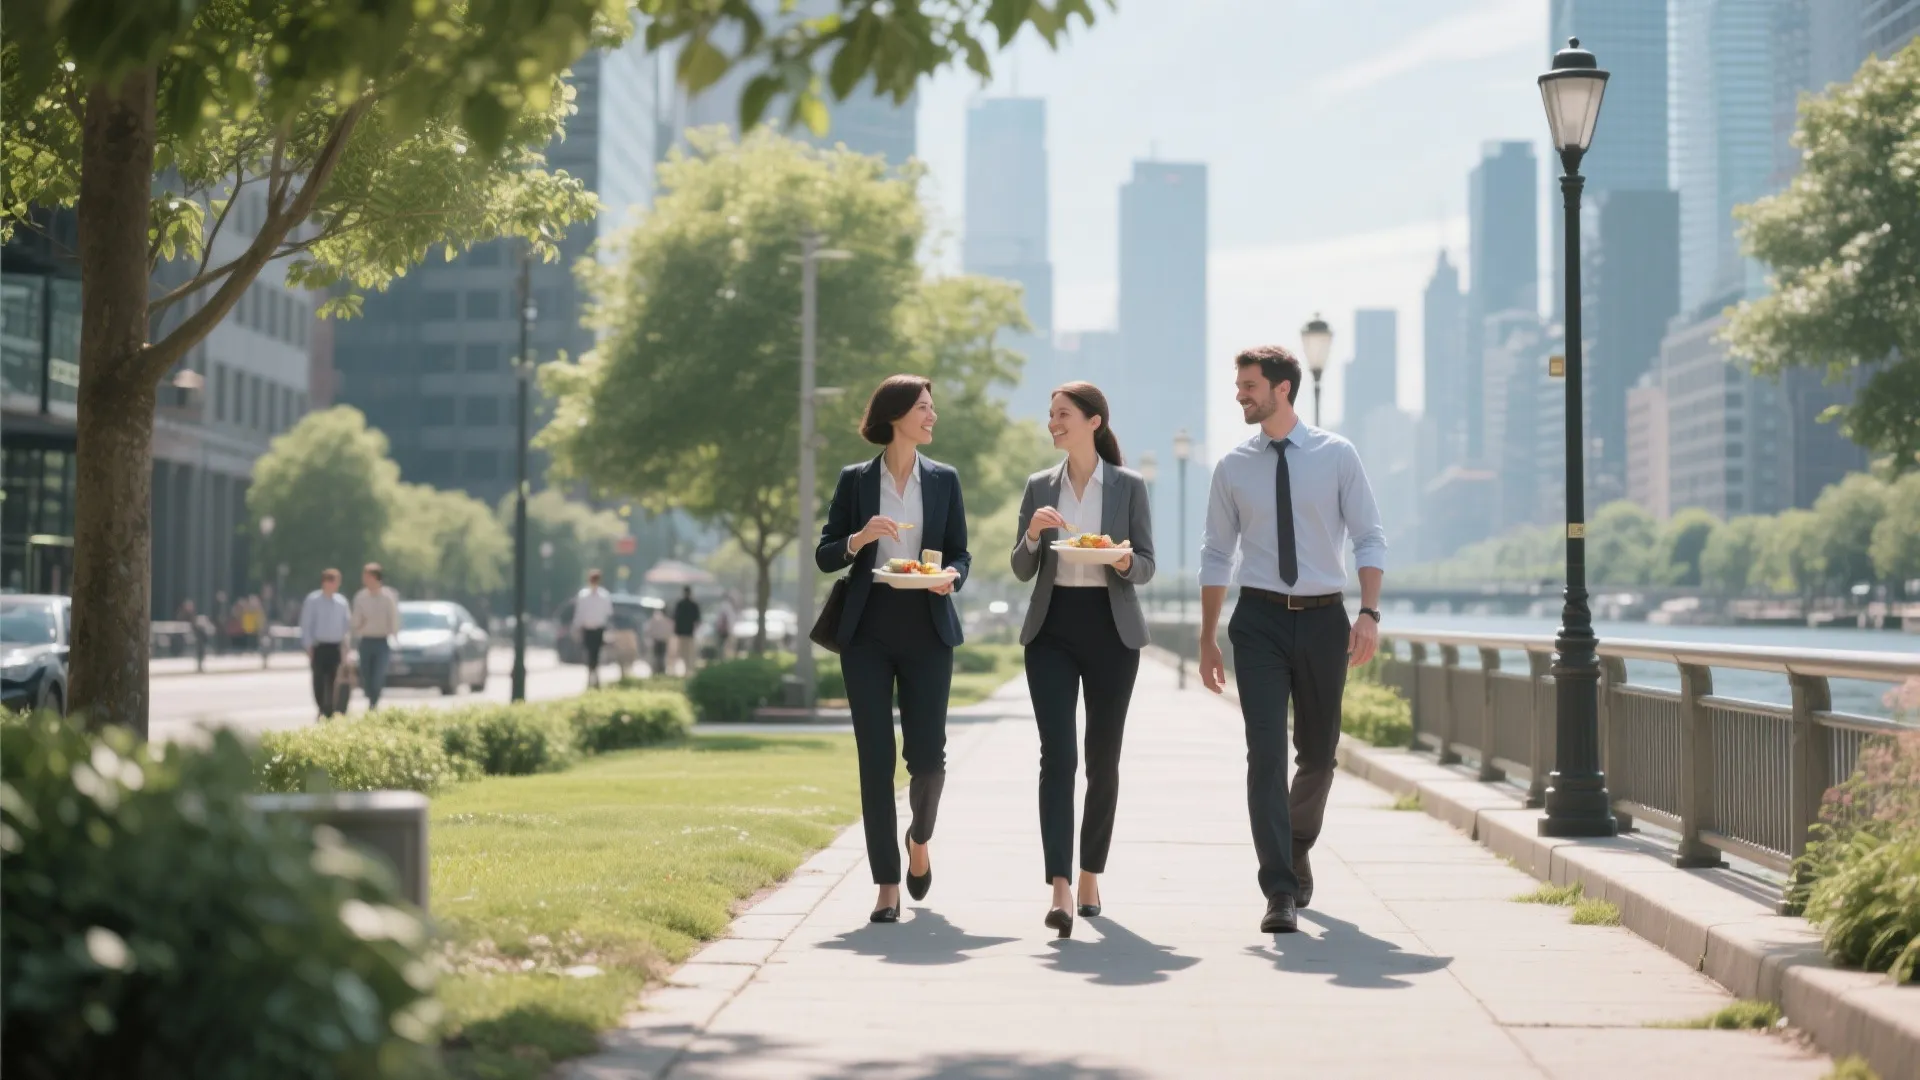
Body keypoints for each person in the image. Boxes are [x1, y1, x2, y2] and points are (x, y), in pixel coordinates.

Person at [1198, 345, 1386, 936]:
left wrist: (1370, 613)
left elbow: (1369, 537)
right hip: (1257, 622)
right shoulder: (1232, 466)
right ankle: (1278, 886)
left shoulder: (1337, 455)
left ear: (1282, 388)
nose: (1239, 395)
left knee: (1318, 753)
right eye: (1238, 385)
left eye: (1249, 385)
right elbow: (1215, 553)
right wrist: (1207, 637)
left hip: (1326, 618)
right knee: (1266, 753)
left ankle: (1298, 843)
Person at [816, 374, 971, 925]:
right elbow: (826, 552)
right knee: (875, 760)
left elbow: (960, 553)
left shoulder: (944, 480)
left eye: (932, 407)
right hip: (868, 629)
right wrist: (860, 538)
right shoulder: (856, 480)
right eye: (924, 408)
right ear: (896, 414)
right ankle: (886, 884)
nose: (932, 417)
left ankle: (919, 839)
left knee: (927, 761)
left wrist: (950, 575)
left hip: (928, 625)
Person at [1010, 383, 1156, 939]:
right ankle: (1061, 888)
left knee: (1102, 759)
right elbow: (1023, 568)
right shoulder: (1038, 487)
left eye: (1063, 415)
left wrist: (1120, 559)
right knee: (1058, 757)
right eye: (1050, 416)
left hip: (1111, 630)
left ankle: (1091, 872)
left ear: (1093, 422)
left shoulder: (1127, 487)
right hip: (1051, 628)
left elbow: (1146, 565)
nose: (1053, 424)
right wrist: (1032, 533)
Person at [299, 569, 353, 719]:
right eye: (331, 581)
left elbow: (346, 627)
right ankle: (321, 705)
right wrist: (308, 646)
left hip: (335, 646)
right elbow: (306, 624)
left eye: (336, 582)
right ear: (324, 583)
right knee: (318, 679)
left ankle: (328, 710)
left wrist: (346, 648)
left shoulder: (341, 602)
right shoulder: (313, 600)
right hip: (318, 646)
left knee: (332, 679)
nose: (334, 585)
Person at [351, 563, 401, 710]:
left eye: (366, 576)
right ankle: (370, 697)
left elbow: (394, 618)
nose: (364, 579)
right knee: (366, 675)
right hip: (366, 641)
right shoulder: (360, 597)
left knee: (378, 675)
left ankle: (374, 703)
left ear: (374, 577)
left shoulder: (388, 597)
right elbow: (354, 621)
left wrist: (395, 637)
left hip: (381, 642)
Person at [571, 569, 613, 688]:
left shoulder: (604, 596)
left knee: (596, 652)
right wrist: (577, 627)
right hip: (588, 628)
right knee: (589, 653)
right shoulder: (583, 595)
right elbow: (579, 613)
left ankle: (595, 675)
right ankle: (591, 675)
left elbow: (608, 613)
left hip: (599, 628)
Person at [671, 587, 702, 676]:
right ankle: (688, 669)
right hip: (689, 632)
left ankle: (681, 668)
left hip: (681, 632)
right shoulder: (693, 605)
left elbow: (674, 617)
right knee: (689, 652)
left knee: (681, 651)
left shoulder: (680, 604)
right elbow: (698, 619)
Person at [644, 606, 674, 676]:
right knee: (662, 656)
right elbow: (670, 631)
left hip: (657, 640)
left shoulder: (653, 620)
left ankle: (656, 670)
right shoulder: (667, 621)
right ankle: (661, 670)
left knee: (657, 656)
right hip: (663, 640)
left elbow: (648, 630)